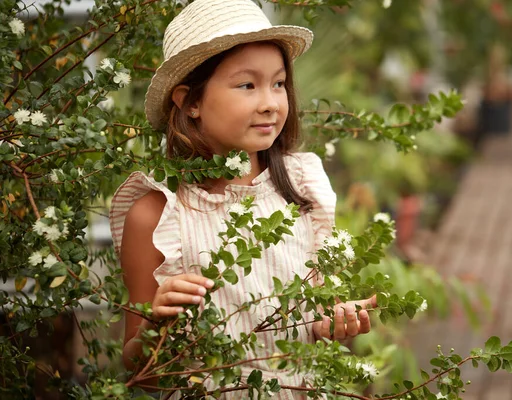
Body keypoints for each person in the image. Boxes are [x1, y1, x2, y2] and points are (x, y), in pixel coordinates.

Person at [109, 0, 377, 397]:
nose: (270, 102)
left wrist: (332, 325)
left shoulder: (304, 188)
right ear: (190, 101)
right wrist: (154, 325)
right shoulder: (157, 215)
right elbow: (141, 375)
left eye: (279, 83)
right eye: (247, 85)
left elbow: (315, 325)